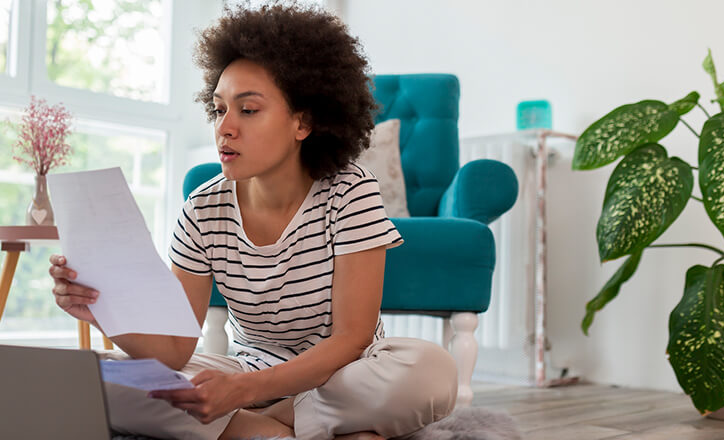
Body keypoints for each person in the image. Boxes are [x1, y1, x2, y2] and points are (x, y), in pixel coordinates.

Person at [48, 3, 457, 439]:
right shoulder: (202, 210)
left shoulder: (349, 191)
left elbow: (352, 339)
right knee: (100, 376)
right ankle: (289, 428)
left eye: (247, 110)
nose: (224, 127)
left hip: (340, 376)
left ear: (303, 122)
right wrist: (104, 311)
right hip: (246, 369)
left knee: (430, 370)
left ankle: (269, 424)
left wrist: (244, 392)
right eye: (218, 109)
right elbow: (174, 350)